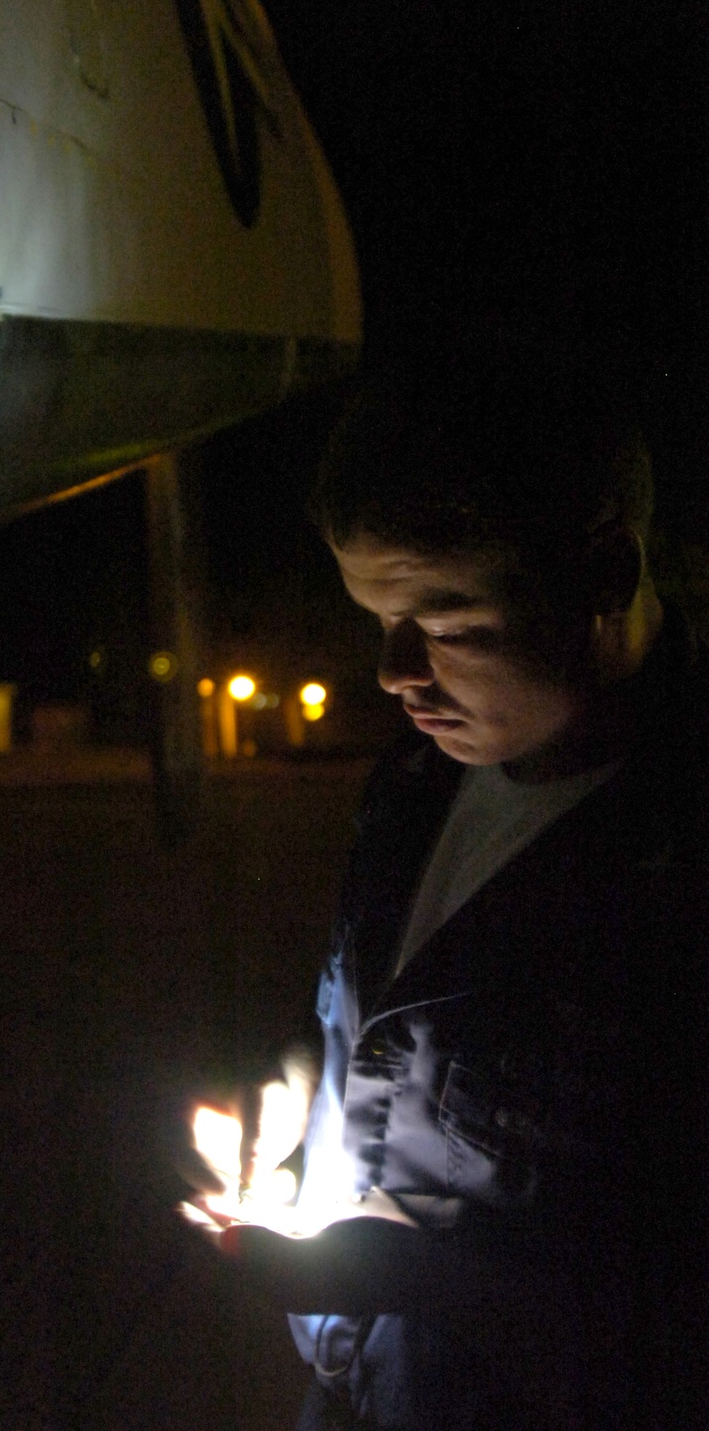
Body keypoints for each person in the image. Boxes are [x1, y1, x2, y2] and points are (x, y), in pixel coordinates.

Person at [180, 372, 707, 1430]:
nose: (392, 673)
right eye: (376, 620)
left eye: (446, 622)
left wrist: (415, 1281)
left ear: (601, 572)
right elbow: (363, 1022)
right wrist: (284, 1089)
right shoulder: (420, 777)